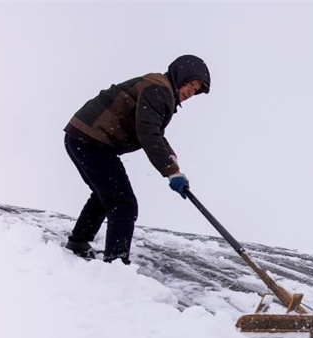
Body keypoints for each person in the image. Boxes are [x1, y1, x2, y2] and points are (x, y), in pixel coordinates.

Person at [63, 55, 210, 263]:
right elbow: (148, 133)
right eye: (190, 85)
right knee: (123, 203)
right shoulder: (158, 90)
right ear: (180, 77)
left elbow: (153, 130)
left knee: (105, 195)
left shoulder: (159, 88)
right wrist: (171, 171)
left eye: (195, 91)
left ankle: (79, 242)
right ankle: (116, 263)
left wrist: (171, 158)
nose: (190, 92)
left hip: (82, 136)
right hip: (92, 141)